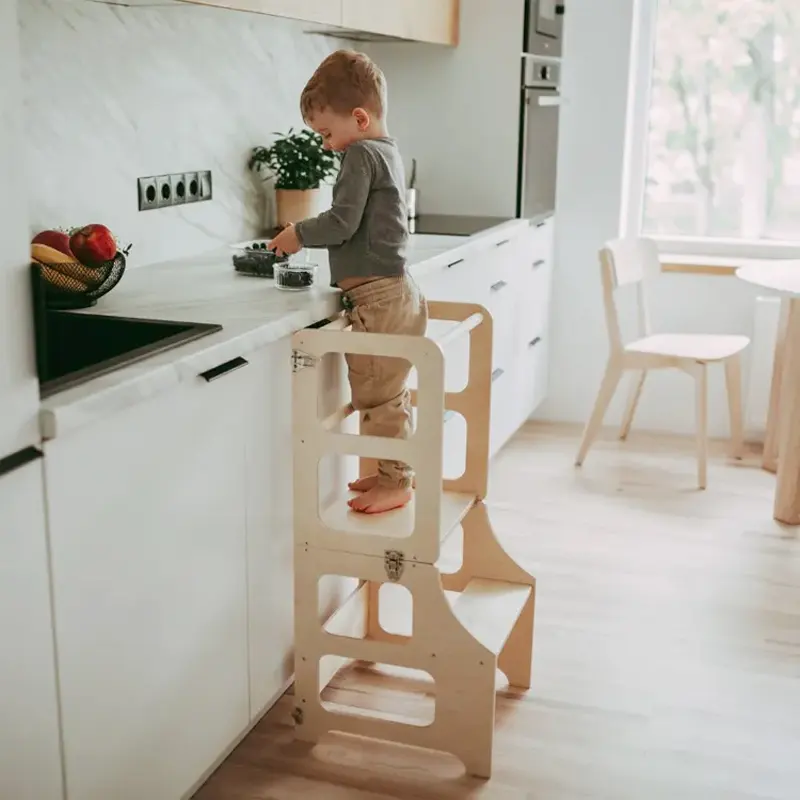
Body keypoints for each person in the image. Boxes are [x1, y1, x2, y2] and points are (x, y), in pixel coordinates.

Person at [268, 50, 427, 515]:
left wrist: (297, 233)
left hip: (379, 297)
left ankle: (396, 481)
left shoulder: (360, 153)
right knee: (386, 395)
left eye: (326, 133)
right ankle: (389, 472)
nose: (326, 144)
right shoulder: (386, 150)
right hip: (393, 293)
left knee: (379, 398)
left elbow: (341, 222)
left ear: (358, 119)